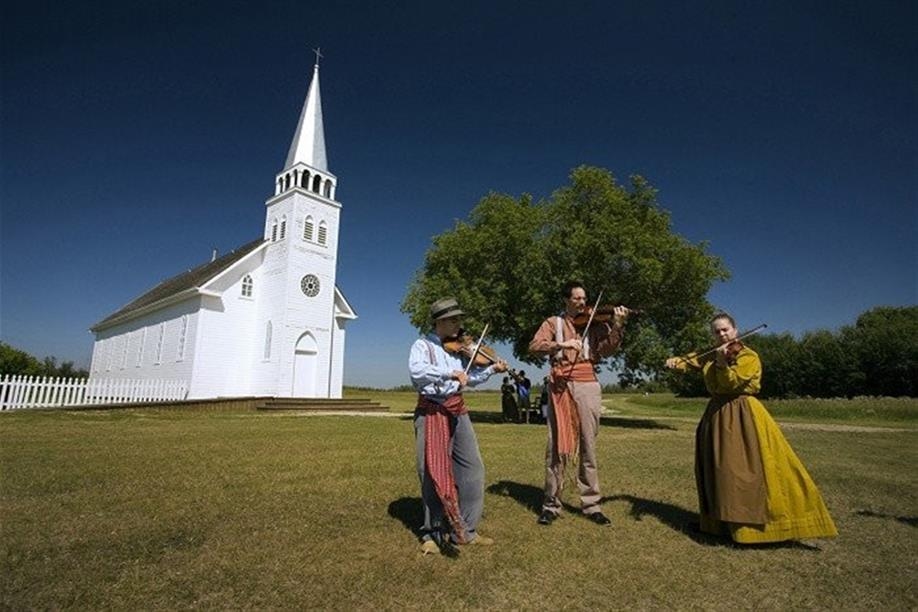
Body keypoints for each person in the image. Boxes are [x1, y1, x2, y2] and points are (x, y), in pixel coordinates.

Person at [665, 312, 838, 544]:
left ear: (735, 330)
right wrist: (675, 361)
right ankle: (716, 525)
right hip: (716, 414)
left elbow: (730, 383)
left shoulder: (747, 356)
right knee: (715, 470)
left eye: (725, 330)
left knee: (741, 472)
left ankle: (750, 529)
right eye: (716, 331)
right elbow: (690, 361)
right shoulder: (712, 354)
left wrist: (721, 362)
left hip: (743, 414)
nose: (721, 334)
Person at [409, 296, 508, 554]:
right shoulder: (422, 346)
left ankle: (465, 530)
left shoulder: (460, 349)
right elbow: (417, 372)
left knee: (472, 469)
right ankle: (432, 533)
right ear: (440, 321)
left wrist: (491, 370)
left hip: (458, 410)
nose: (459, 324)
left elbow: (469, 378)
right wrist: (448, 373)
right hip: (431, 410)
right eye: (454, 319)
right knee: (431, 472)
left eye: (459, 319)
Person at [528, 280, 631, 526]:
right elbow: (534, 346)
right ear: (567, 300)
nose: (583, 303)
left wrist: (617, 325)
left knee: (588, 443)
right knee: (557, 445)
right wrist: (561, 344)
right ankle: (551, 504)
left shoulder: (594, 324)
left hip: (587, 383)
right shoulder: (553, 323)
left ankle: (591, 504)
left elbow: (606, 350)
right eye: (577, 298)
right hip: (561, 384)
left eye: (585, 299)